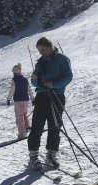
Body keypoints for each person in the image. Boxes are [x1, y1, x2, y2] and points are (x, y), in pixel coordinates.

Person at [28, 37, 73, 170]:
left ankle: (51, 154)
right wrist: (34, 80)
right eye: (39, 50)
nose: (42, 52)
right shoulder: (40, 62)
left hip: (57, 95)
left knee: (55, 126)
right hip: (42, 95)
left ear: (50, 46)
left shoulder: (62, 59)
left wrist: (54, 84)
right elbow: (35, 82)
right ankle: (33, 156)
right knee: (37, 126)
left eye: (43, 49)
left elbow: (68, 76)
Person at [6, 63, 35, 139]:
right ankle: (27, 127)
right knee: (25, 114)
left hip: (18, 100)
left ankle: (22, 134)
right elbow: (29, 89)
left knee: (19, 117)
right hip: (26, 100)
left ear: (15, 72)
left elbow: (12, 90)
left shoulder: (14, 80)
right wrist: (33, 99)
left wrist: (8, 99)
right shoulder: (25, 79)